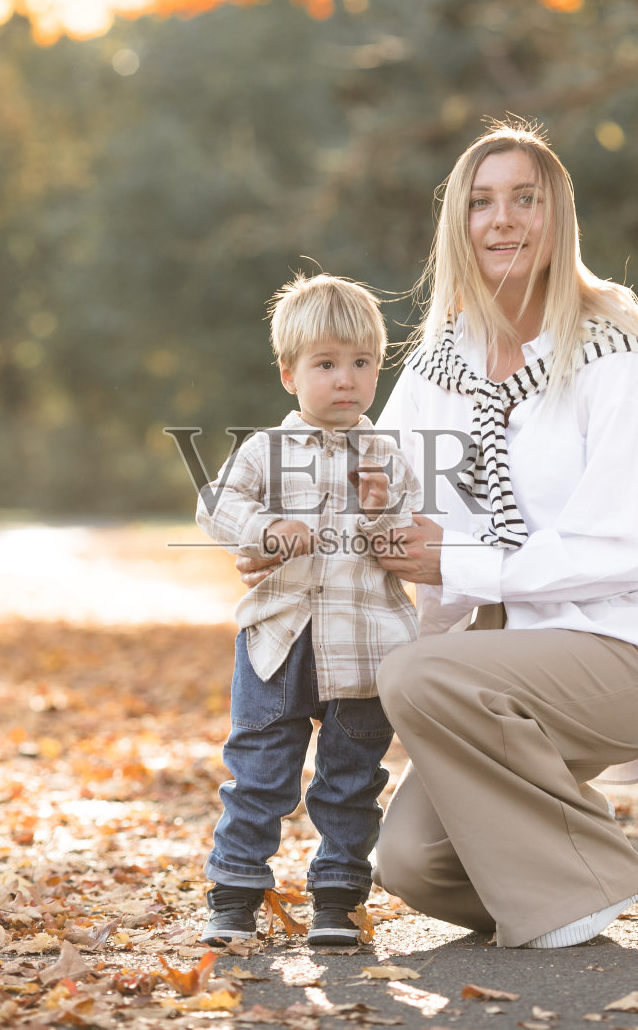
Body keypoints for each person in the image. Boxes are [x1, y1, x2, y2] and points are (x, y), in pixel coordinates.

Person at [238, 123, 638, 949]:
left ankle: (591, 873)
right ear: (458, 226)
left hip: (614, 650)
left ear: (557, 217)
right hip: (489, 669)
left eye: (526, 199)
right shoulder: (436, 366)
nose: (504, 220)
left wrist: (458, 559)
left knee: (415, 672)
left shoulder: (611, 356)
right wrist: (281, 543)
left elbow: (621, 548)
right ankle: (561, 890)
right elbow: (371, 497)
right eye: (482, 202)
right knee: (412, 863)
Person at [195, 273, 424, 947]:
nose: (346, 379)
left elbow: (407, 540)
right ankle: (234, 893)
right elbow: (215, 503)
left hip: (366, 642)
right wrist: (263, 530)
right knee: (261, 770)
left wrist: (385, 511)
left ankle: (336, 895)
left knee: (351, 777)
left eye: (362, 363)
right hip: (280, 640)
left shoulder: (391, 457)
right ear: (290, 373)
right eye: (326, 364)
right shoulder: (267, 450)